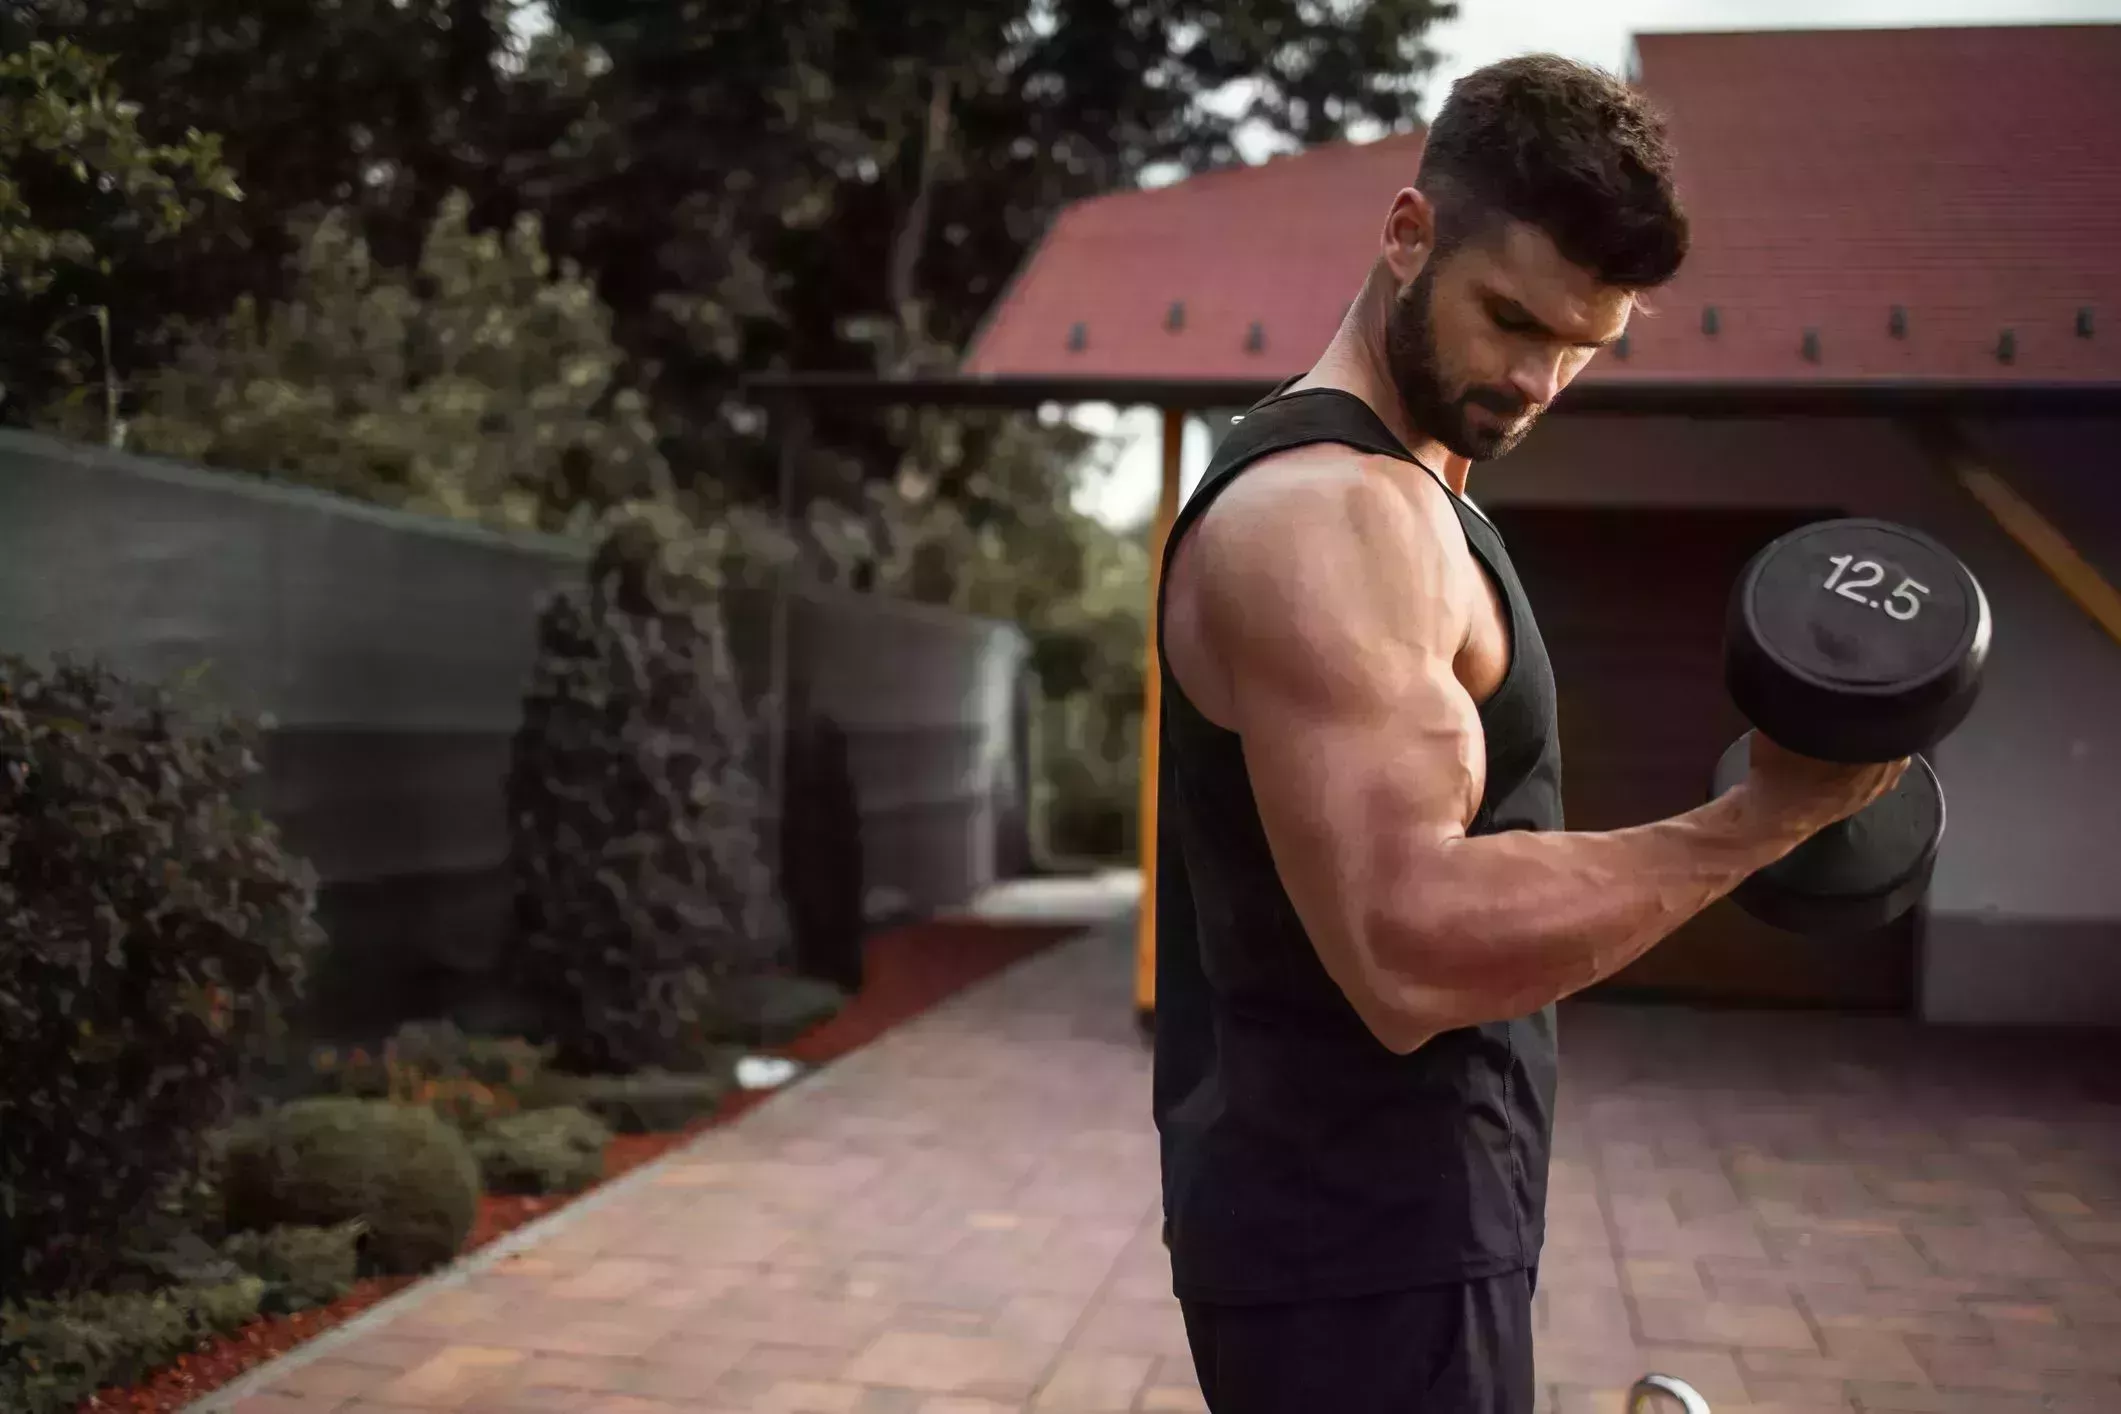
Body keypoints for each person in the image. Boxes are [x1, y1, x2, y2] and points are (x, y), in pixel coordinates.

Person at [1149, 54, 1907, 1413]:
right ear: (1406, 233)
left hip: (1393, 1230)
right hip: (1355, 1251)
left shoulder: (1424, 496)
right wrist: (1767, 815)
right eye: (1512, 319)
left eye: (1583, 346)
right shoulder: (1335, 516)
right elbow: (1410, 941)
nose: (1542, 378)